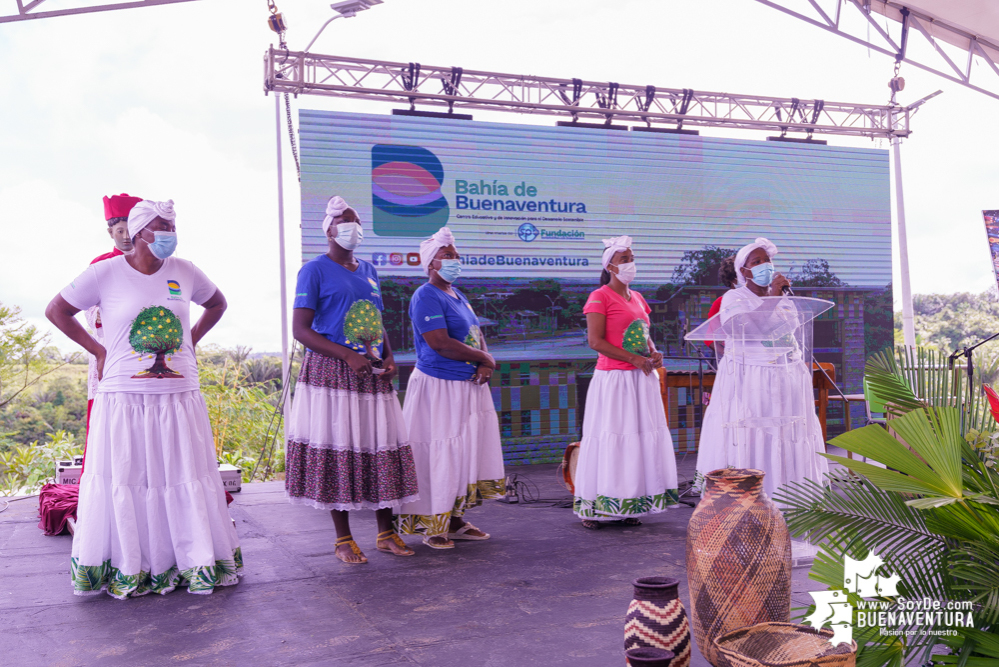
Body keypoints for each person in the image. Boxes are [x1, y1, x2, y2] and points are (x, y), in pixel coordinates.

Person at [45, 199, 241, 598]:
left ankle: (192, 563)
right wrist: (99, 351)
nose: (168, 232)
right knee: (128, 478)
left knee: (182, 476)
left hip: (179, 395)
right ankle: (132, 567)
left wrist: (190, 340)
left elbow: (217, 303)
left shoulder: (185, 271)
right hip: (123, 397)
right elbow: (56, 310)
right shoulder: (104, 272)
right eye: (159, 226)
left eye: (172, 224)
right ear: (136, 233)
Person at [286, 196, 418, 564]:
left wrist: (389, 355)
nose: (353, 227)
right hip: (333, 372)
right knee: (339, 449)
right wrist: (346, 354)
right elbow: (300, 329)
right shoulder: (313, 270)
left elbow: (376, 321)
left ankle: (386, 533)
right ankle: (343, 540)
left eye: (357, 221)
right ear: (328, 230)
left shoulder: (370, 271)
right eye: (345, 221)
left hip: (372, 371)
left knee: (381, 448)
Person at [394, 227, 505, 549]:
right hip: (438, 388)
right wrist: (484, 357)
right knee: (437, 454)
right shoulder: (425, 295)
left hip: (468, 387)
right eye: (448, 256)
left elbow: (475, 336)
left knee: (463, 454)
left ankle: (455, 519)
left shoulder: (459, 296)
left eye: (456, 254)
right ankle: (432, 526)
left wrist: (485, 362)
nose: (456, 260)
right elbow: (440, 343)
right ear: (431, 263)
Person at [695, 237, 829, 501]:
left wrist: (778, 298)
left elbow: (785, 331)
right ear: (743, 272)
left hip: (786, 376)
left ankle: (791, 501)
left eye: (767, 260)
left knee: (786, 435)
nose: (765, 266)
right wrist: (774, 298)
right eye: (756, 262)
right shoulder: (734, 297)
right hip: (750, 379)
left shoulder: (787, 299)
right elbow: (746, 328)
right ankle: (750, 501)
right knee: (754, 434)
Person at [573, 236, 680, 529]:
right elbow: (595, 341)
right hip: (615, 380)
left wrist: (654, 351)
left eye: (632, 257)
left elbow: (643, 334)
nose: (631, 264)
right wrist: (633, 359)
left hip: (640, 379)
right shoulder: (599, 296)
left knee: (635, 440)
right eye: (624, 259)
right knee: (612, 438)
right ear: (609, 266)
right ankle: (594, 507)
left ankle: (627, 503)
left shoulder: (638, 298)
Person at [84, 194, 143, 453]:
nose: (127, 236)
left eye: (132, 229)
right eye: (120, 230)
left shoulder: (152, 262)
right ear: (111, 232)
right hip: (110, 346)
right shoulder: (101, 264)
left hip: (146, 346)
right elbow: (87, 306)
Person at [704, 255, 737, 360]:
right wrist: (729, 355)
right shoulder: (721, 303)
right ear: (733, 279)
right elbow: (709, 339)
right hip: (728, 359)